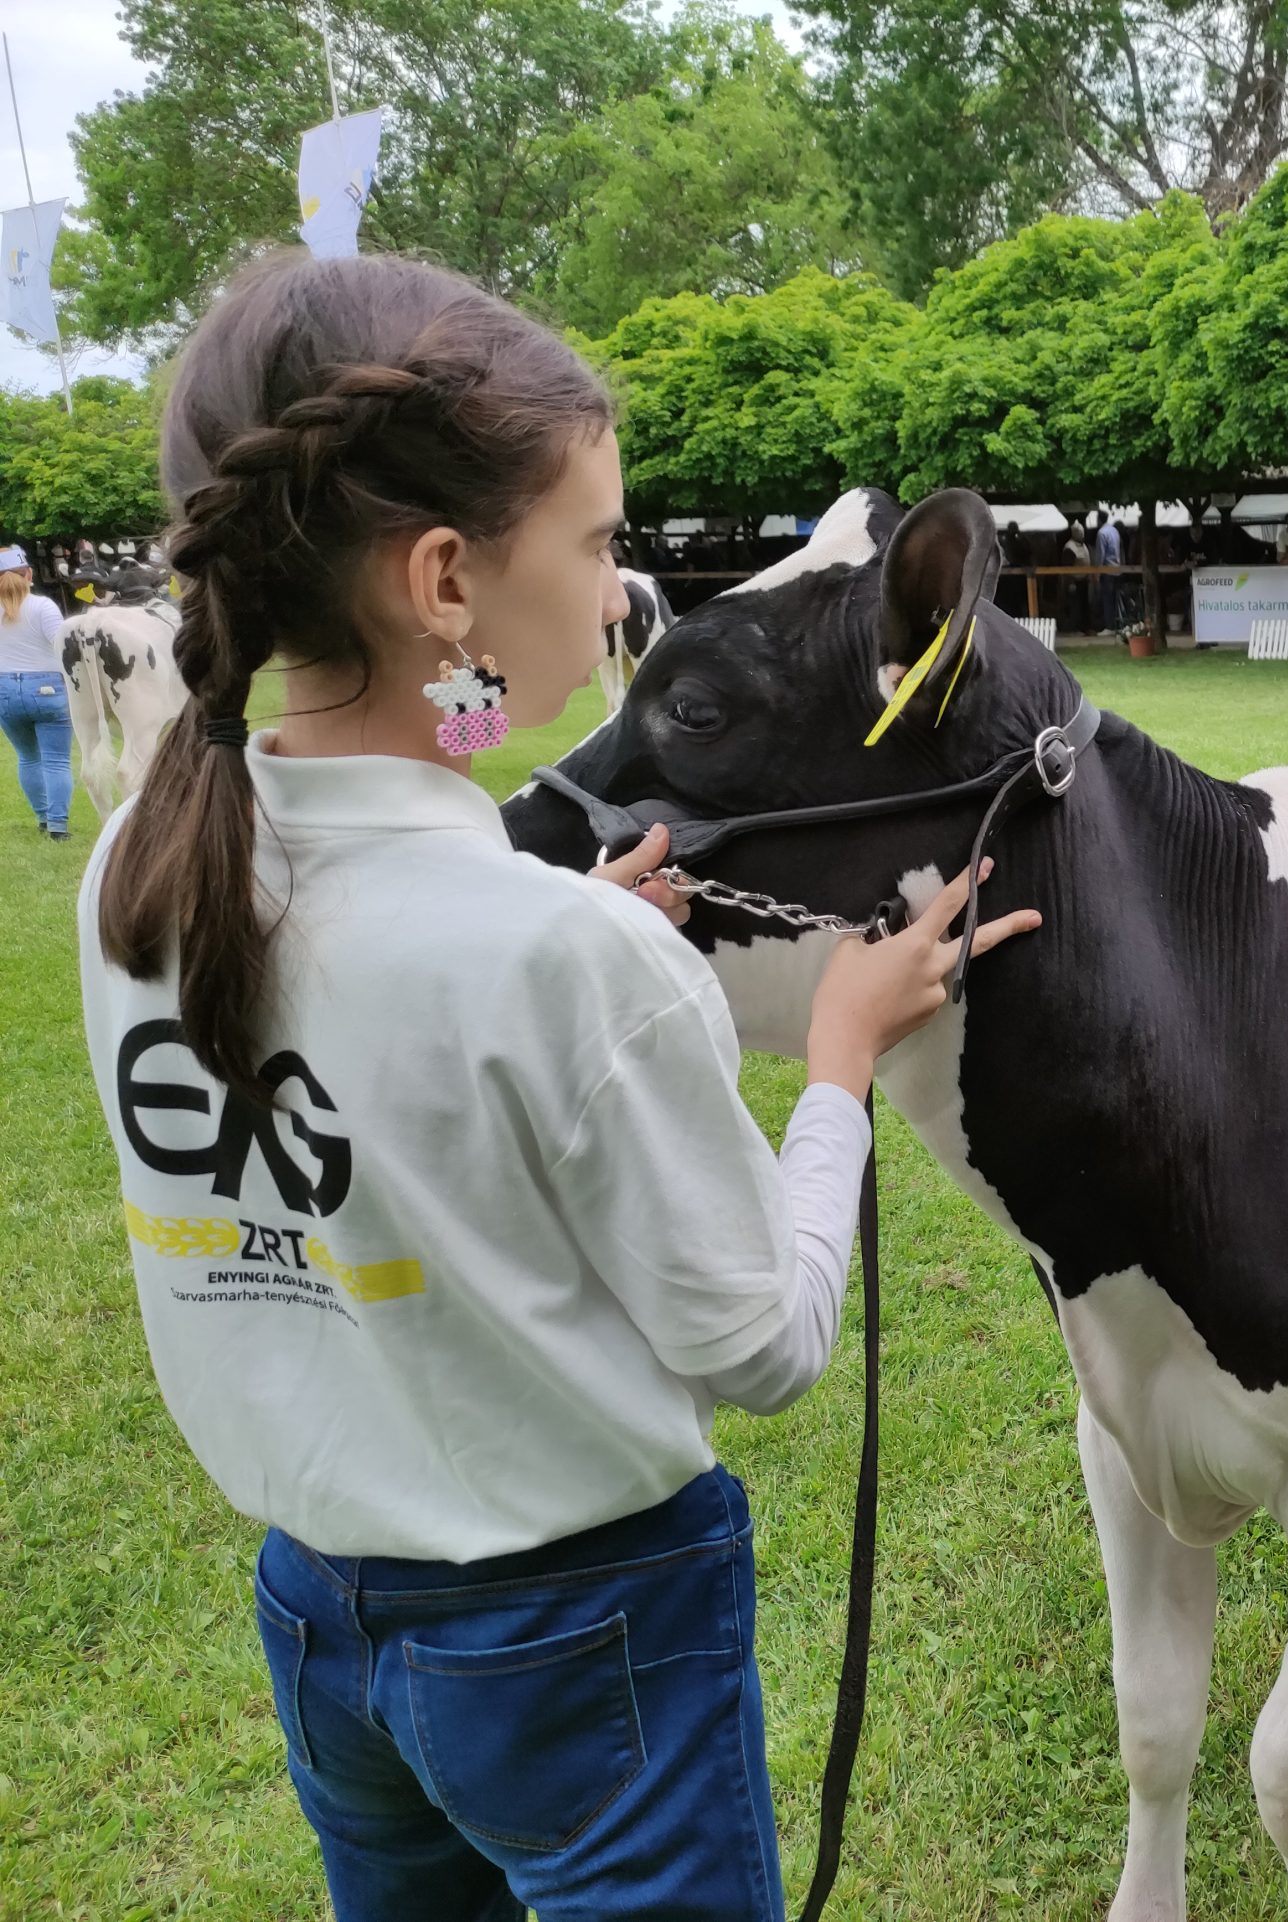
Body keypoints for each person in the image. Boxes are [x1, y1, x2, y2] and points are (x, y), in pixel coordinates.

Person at [75, 251, 1041, 1920]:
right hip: (584, 1634)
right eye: (598, 543)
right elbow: (765, 1344)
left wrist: (573, 929)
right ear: (444, 578)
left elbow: (407, 945)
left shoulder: (134, 875)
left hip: (316, 1617)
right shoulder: (557, 959)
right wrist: (839, 1051)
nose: (613, 599)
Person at [0, 543, 72, 839]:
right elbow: (63, 646)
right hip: (47, 687)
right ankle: (58, 825)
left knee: (28, 758)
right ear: (28, 574)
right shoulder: (43, 606)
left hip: (4, 688)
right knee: (56, 760)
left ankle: (42, 817)